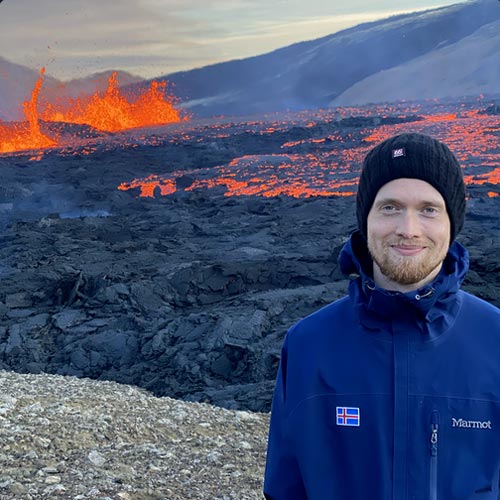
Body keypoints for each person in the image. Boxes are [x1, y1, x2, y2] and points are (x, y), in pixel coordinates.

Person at [263, 132, 500, 500]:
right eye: (390, 207)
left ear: (452, 223)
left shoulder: (495, 341)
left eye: (428, 209)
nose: (408, 228)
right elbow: (284, 489)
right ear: (366, 219)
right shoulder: (307, 347)